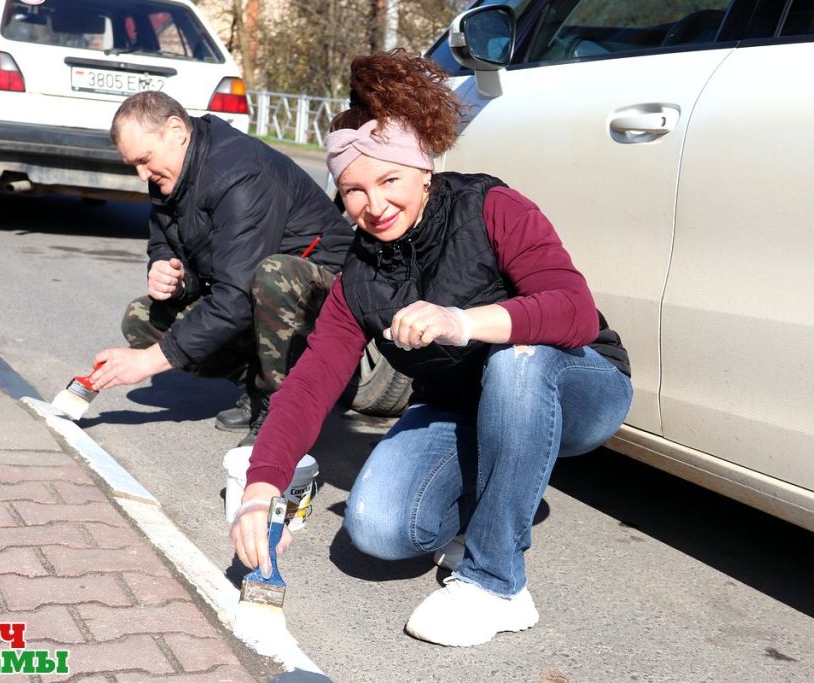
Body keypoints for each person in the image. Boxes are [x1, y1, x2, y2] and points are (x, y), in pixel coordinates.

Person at [229, 49, 633, 648]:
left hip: (574, 383)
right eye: (354, 190)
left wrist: (459, 321)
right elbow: (311, 383)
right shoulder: (358, 277)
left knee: (517, 359)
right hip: (459, 404)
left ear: (423, 169)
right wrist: (261, 488)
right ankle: (488, 500)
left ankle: (497, 583)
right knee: (377, 530)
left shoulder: (491, 207)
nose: (374, 205)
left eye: (389, 180)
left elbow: (572, 310)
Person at [88, 91, 353, 445]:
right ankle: (259, 386)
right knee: (141, 318)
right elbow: (168, 242)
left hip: (328, 295)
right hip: (254, 294)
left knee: (273, 276)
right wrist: (170, 273)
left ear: (176, 130)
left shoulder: (239, 174)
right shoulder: (172, 173)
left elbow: (236, 296)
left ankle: (285, 410)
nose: (141, 174)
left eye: (145, 159)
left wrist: (149, 362)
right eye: (133, 164)